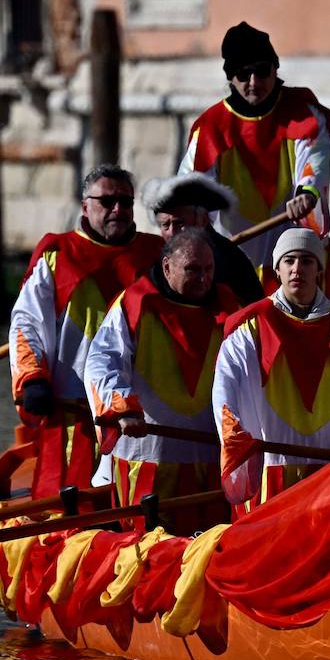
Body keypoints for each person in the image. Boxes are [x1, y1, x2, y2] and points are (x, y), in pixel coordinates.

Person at [9, 165, 163, 498]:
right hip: (73, 411)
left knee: (133, 499)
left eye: (125, 201)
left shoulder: (156, 254)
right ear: (85, 206)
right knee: (67, 501)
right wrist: (32, 378)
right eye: (107, 201)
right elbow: (27, 324)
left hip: (137, 415)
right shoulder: (57, 253)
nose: (118, 209)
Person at [212, 228, 330, 515]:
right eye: (289, 261)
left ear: (319, 269)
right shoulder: (250, 326)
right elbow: (224, 392)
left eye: (306, 261)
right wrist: (235, 438)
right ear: (276, 270)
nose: (297, 269)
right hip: (270, 473)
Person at [84, 228, 238, 534]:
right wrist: (123, 408)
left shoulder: (228, 306)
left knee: (206, 543)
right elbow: (102, 362)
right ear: (167, 266)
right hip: (148, 455)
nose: (203, 278)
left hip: (207, 457)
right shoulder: (135, 302)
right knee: (145, 545)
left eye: (208, 269)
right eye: (192, 269)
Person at [177, 21, 330, 270]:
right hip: (233, 256)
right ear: (231, 78)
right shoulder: (211, 127)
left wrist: (306, 194)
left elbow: (314, 158)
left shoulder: (302, 113)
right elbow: (191, 186)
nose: (254, 82)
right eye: (244, 74)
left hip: (291, 255)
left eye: (262, 71)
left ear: (275, 70)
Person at [140, 173, 265, 305]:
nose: (172, 232)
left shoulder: (230, 261)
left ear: (203, 220)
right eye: (165, 225)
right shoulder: (154, 255)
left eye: (180, 223)